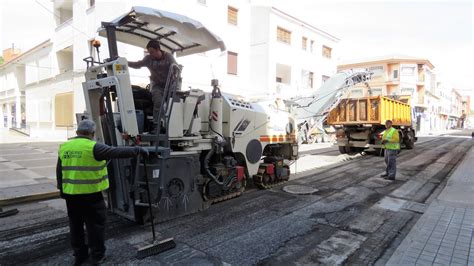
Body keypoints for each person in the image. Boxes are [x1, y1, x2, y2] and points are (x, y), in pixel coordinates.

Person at [56, 120, 149, 265]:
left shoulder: (65, 147)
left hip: (71, 196)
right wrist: (138, 150)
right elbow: (116, 151)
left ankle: (80, 256)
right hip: (91, 196)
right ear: (92, 133)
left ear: (77, 132)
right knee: (95, 227)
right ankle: (97, 256)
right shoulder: (93, 147)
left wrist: (62, 191)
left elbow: (59, 171)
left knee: (76, 226)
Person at [128, 40, 177, 133]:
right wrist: (125, 62)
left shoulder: (169, 57)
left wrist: (175, 74)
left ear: (158, 49)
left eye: (152, 52)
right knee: (158, 102)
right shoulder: (148, 59)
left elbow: (176, 68)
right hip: (157, 86)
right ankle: (157, 126)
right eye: (149, 52)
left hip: (170, 86)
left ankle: (171, 126)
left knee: (174, 105)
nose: (150, 54)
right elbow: (137, 64)